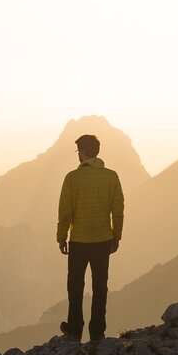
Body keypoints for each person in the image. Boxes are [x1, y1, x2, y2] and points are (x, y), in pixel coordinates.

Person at [56, 134, 124, 343]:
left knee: (75, 286)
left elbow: (65, 211)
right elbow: (118, 210)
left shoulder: (72, 178)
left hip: (79, 241)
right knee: (100, 286)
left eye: (78, 151)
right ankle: (97, 333)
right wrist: (116, 236)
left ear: (83, 152)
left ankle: (75, 330)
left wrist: (61, 237)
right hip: (103, 239)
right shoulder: (111, 176)